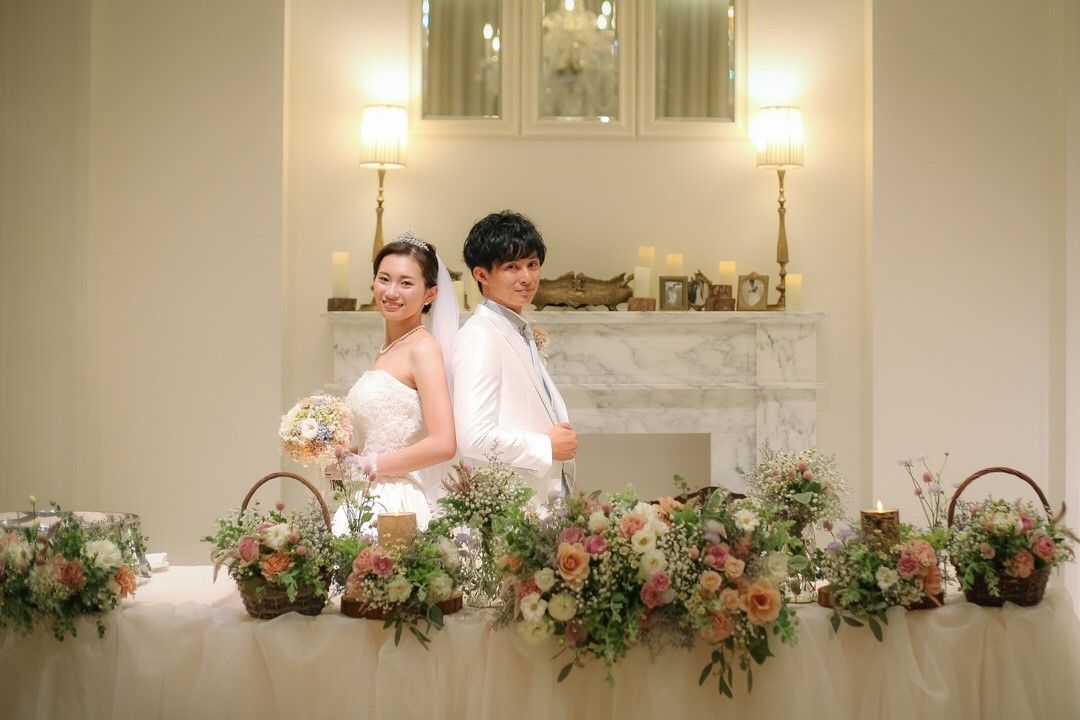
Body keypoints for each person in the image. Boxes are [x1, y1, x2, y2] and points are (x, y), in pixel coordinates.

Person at [330, 230, 458, 532]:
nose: (391, 292)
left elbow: (444, 443)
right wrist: (346, 457)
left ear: (430, 294)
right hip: (367, 496)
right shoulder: (388, 348)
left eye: (406, 283)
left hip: (396, 501)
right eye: (384, 279)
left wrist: (371, 465)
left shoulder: (422, 349)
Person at [452, 211, 578, 499]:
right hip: (511, 503)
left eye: (532, 265)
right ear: (481, 275)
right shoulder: (480, 335)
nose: (527, 278)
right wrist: (546, 446)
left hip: (536, 500)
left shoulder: (517, 330)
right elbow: (474, 437)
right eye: (512, 267)